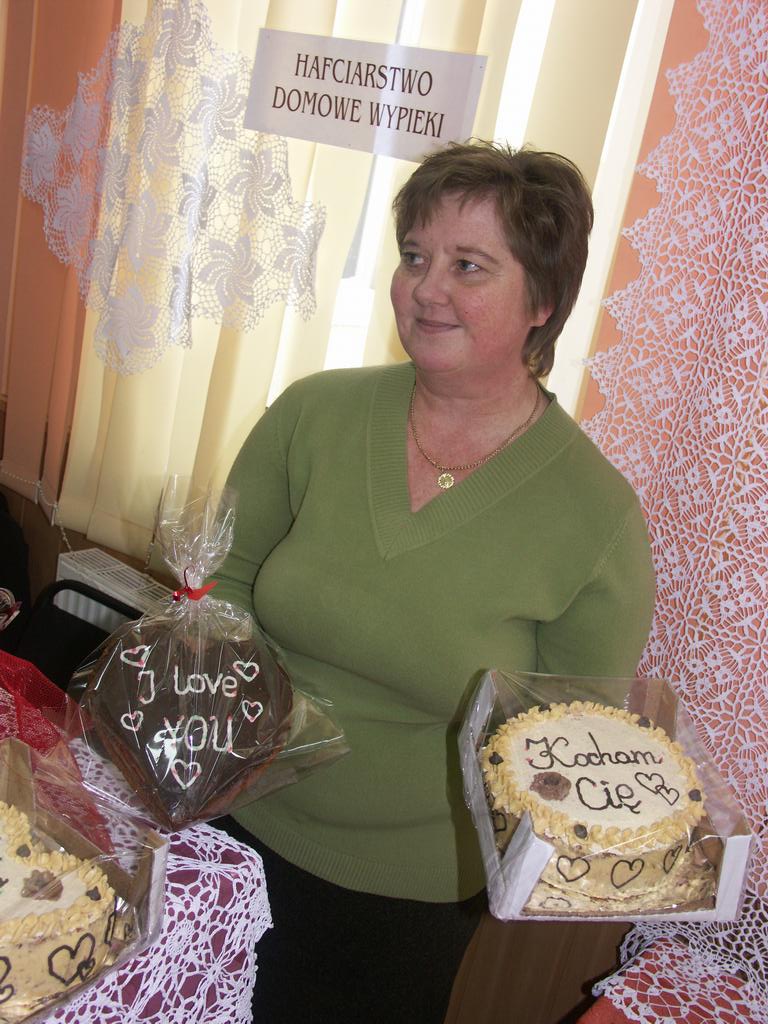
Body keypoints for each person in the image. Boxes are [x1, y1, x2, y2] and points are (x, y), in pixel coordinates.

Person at [212, 140, 656, 1023]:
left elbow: (571, 740)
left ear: (543, 302)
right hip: (225, 822)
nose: (426, 288)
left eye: (468, 266)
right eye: (415, 257)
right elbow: (223, 580)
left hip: (400, 898)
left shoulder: (594, 514)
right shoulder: (314, 413)